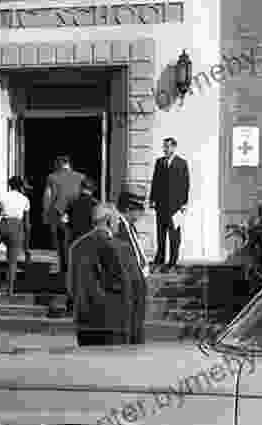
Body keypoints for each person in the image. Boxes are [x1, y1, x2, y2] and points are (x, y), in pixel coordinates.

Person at [70, 203, 139, 346]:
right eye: (117, 220)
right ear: (108, 221)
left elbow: (71, 284)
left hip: (84, 322)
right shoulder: (119, 247)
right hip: (112, 322)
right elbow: (126, 284)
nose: (118, 224)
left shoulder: (76, 246)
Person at [149, 137, 190, 271]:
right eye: (164, 147)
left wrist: (184, 203)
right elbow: (155, 182)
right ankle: (160, 259)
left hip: (176, 206)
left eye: (168, 147)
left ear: (174, 147)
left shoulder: (181, 163)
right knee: (161, 233)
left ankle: (172, 261)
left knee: (174, 234)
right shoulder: (159, 162)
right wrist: (152, 199)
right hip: (161, 205)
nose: (165, 149)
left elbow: (186, 184)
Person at [116, 188, 150, 344]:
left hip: (138, 282)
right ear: (129, 209)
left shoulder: (130, 227)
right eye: (139, 210)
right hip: (130, 284)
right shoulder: (119, 228)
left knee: (137, 325)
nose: (140, 215)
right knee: (132, 328)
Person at [42, 155, 85, 275]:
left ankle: (64, 268)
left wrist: (46, 215)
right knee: (76, 241)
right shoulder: (81, 177)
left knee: (61, 243)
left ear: (58, 165)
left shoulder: (52, 177)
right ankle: (75, 268)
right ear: (69, 164)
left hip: (59, 213)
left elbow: (48, 197)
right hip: (77, 214)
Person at [64, 177, 98, 314]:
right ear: (92, 190)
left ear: (81, 187)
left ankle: (71, 304)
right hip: (90, 242)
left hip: (74, 241)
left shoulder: (72, 203)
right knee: (90, 274)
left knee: (74, 274)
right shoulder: (96, 204)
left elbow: (64, 221)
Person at [0, 176, 31, 296]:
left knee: (8, 252)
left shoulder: (2, 196)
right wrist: (26, 247)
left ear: (10, 185)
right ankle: (9, 289)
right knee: (12, 261)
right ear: (21, 186)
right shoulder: (25, 199)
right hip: (16, 226)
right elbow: (27, 224)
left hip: (4, 225)